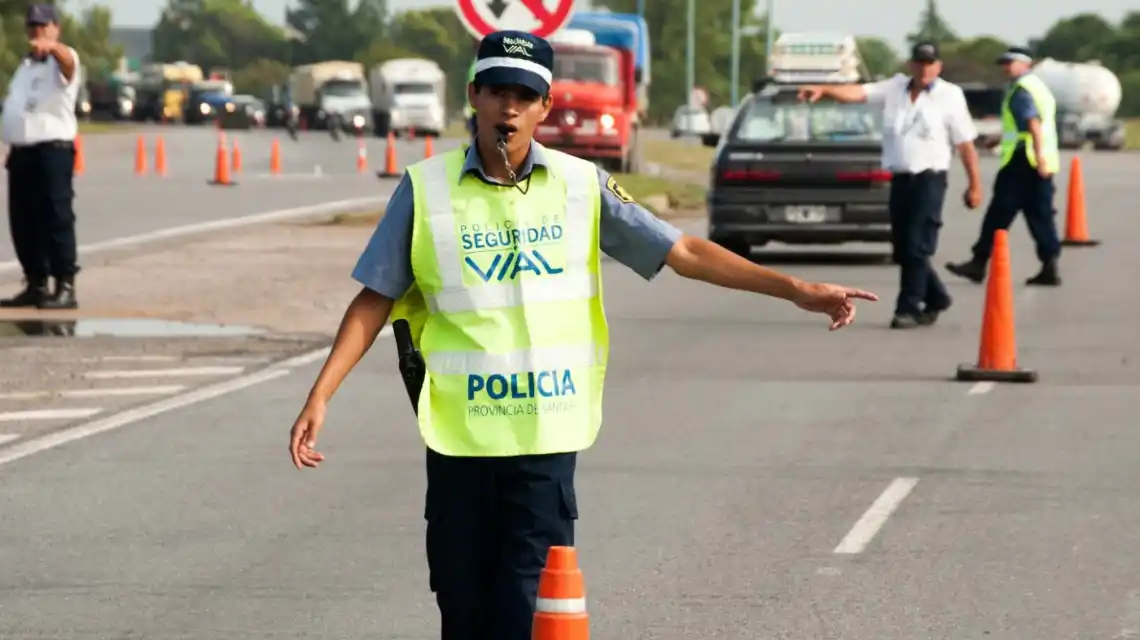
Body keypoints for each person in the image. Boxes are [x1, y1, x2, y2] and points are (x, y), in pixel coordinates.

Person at [287, 29, 878, 640]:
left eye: (525, 94)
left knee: (527, 601)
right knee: (461, 607)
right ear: (473, 96)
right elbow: (374, 298)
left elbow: (685, 252)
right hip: (462, 437)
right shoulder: (425, 189)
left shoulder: (580, 186)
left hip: (546, 430)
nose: (508, 107)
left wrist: (794, 289)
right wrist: (321, 395)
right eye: (496, 92)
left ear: (546, 106)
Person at [797, 41, 982, 329]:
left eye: (930, 63)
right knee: (902, 247)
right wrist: (825, 90)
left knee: (917, 246)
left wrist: (975, 185)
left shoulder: (950, 95)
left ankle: (907, 308)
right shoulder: (895, 88)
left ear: (939, 66)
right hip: (901, 179)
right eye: (919, 62)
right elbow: (858, 92)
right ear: (911, 65)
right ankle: (937, 296)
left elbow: (966, 144)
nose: (924, 68)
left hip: (929, 180)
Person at [945, 46, 1062, 287]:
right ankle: (1050, 264)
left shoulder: (1021, 90)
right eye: (1004, 63)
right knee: (1040, 215)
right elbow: (1025, 128)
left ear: (1026, 64)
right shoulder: (1039, 87)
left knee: (999, 213)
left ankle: (978, 262)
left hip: (1022, 162)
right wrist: (999, 139)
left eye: (1011, 62)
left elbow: (1033, 124)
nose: (1006, 67)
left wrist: (1038, 156)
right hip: (1038, 162)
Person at [0, 3, 81, 310]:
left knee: (55, 218)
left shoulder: (63, 60)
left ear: (56, 28)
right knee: (23, 221)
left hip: (52, 151)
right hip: (22, 153)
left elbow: (69, 66)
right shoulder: (26, 66)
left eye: (44, 26)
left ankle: (65, 284)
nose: (38, 32)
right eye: (33, 27)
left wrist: (54, 48)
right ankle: (35, 283)